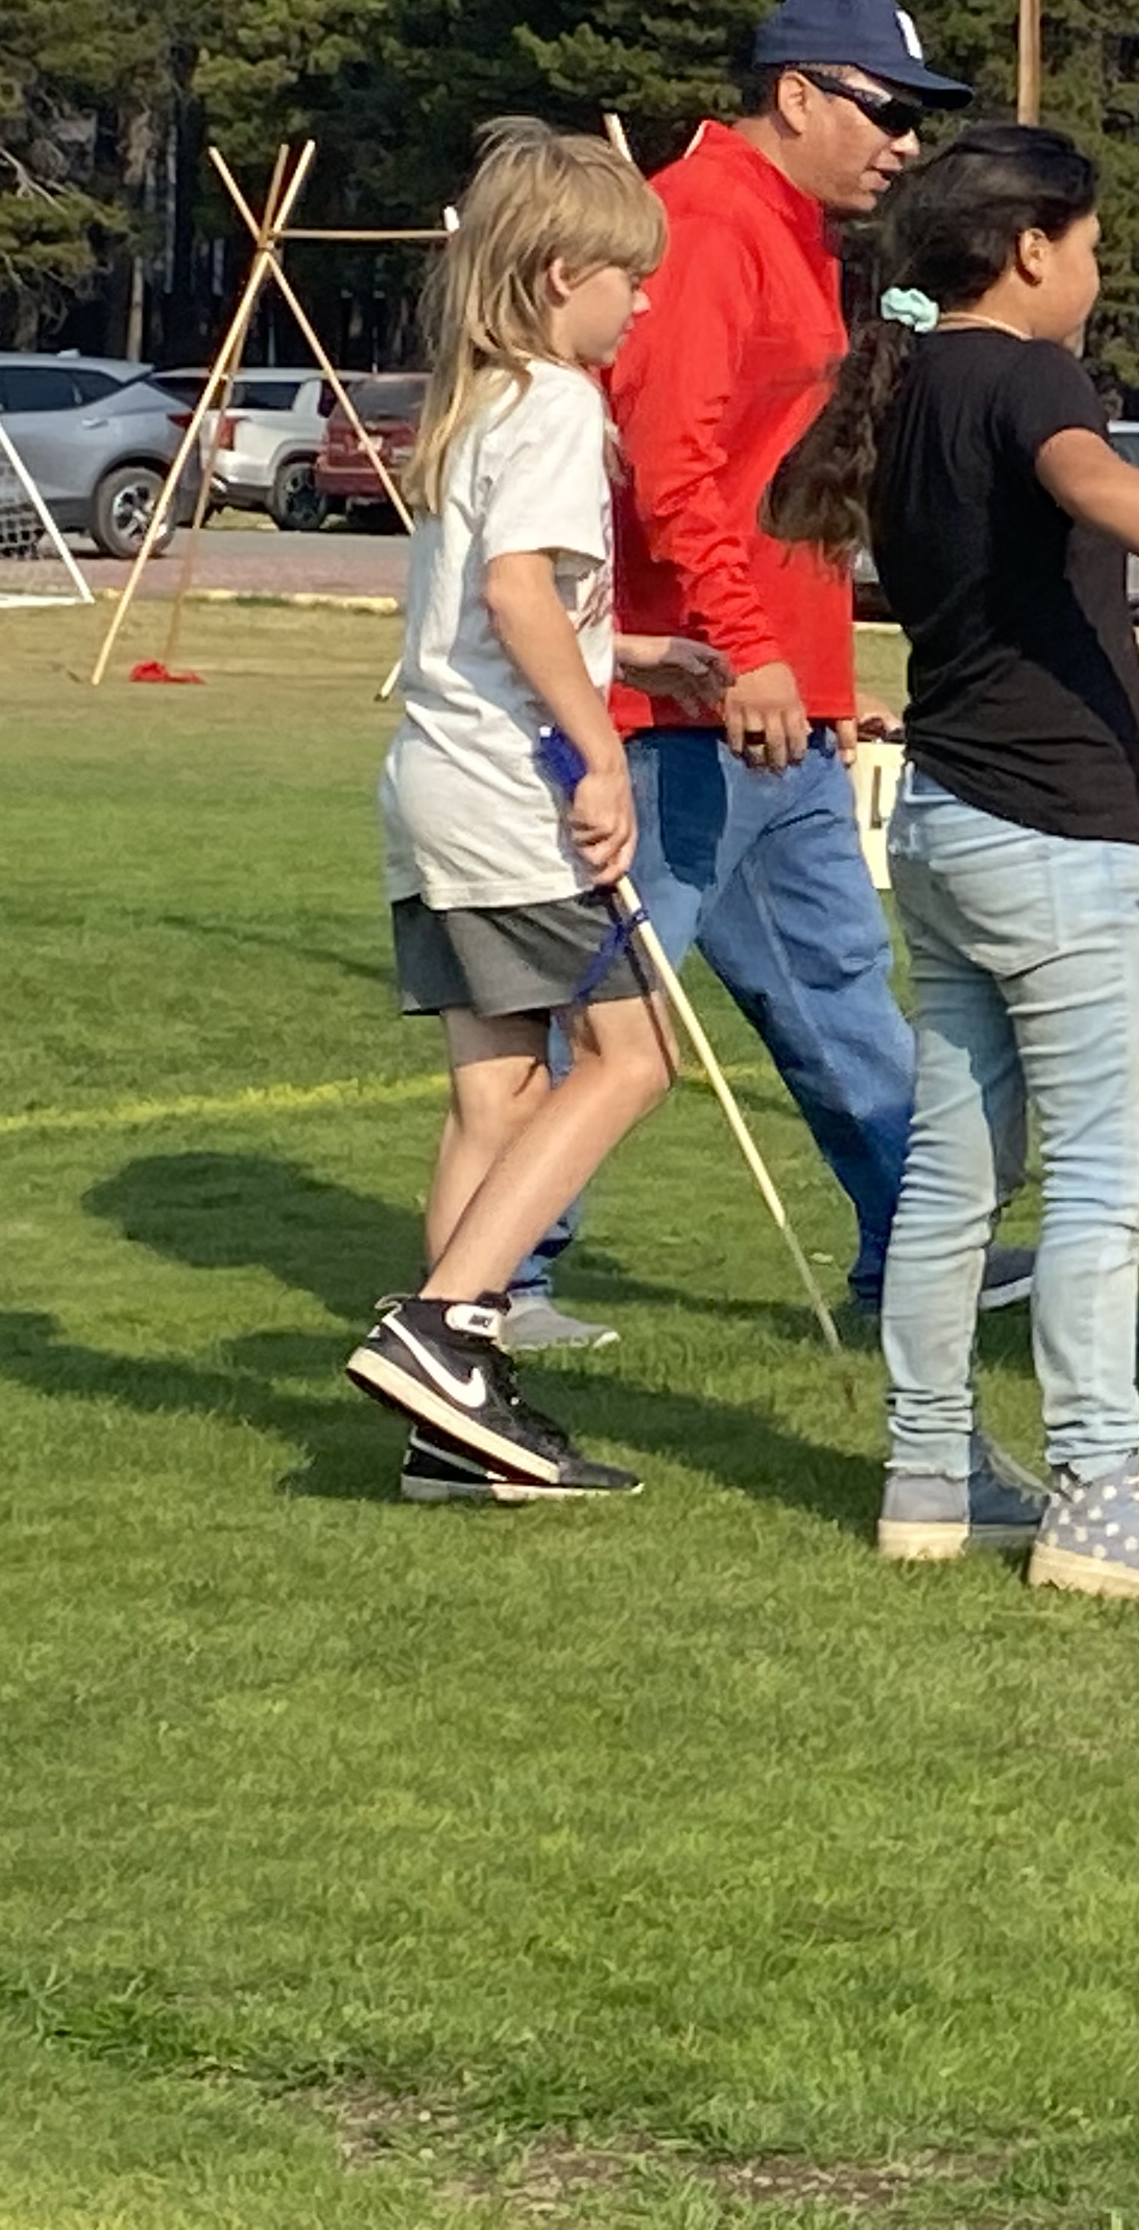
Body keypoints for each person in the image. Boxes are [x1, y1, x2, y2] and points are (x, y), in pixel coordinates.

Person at [763, 124, 1139, 1602]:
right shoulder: (1026, 377)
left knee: (956, 1174)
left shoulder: (905, 381)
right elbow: (1092, 484)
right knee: (1102, 1173)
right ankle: (1094, 1488)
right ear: (1031, 249)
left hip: (952, 829)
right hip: (1047, 836)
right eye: (1089, 245)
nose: (1095, 271)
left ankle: (931, 1466)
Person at [518, 0, 1014, 1345]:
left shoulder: (791, 231)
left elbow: (777, 476)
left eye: (918, 120)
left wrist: (819, 674)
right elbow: (672, 470)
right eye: (888, 111)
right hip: (690, 707)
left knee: (840, 979)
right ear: (797, 94)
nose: (906, 143)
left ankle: (920, 1249)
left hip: (778, 706)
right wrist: (742, 650)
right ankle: (498, 1275)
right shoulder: (709, 223)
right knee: (614, 1009)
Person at [346, 124, 721, 1501]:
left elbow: (496, 615)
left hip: (429, 782)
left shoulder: (478, 396)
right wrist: (604, 754)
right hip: (510, 791)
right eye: (629, 280)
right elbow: (518, 591)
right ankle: (448, 1332)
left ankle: (455, 1427)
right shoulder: (560, 403)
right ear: (565, 275)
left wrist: (638, 659)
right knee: (635, 1058)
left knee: (495, 1092)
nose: (643, 303)